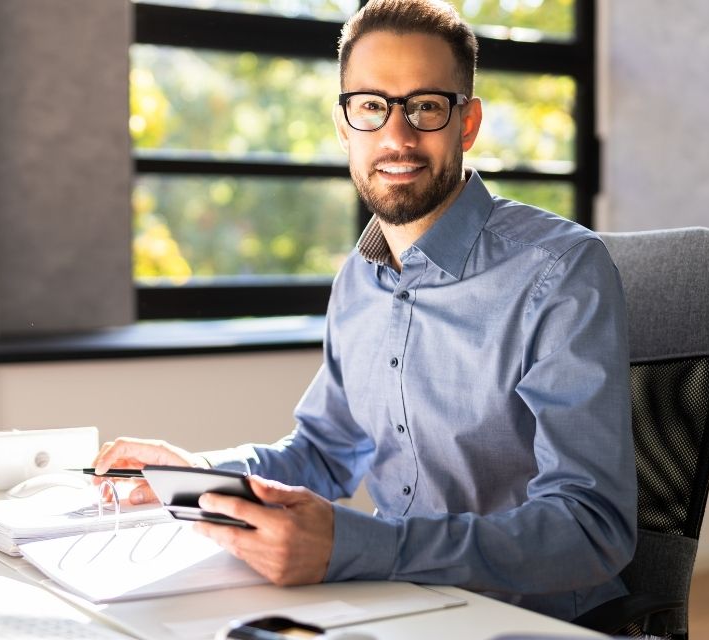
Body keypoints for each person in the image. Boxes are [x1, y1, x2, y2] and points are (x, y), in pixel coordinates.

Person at [94, 0, 635, 621]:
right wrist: (200, 473)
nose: (397, 137)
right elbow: (325, 452)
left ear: (467, 124)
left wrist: (363, 546)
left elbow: (592, 527)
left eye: (426, 107)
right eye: (372, 107)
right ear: (344, 125)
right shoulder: (360, 277)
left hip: (528, 620)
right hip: (393, 605)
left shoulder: (562, 272)